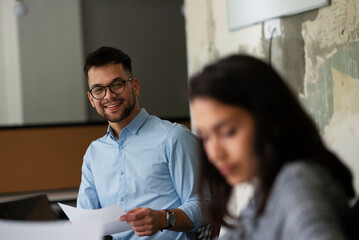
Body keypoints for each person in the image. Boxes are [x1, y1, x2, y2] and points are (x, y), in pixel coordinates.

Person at [188, 54, 356, 239]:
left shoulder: (297, 183)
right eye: (205, 137)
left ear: (271, 120)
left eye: (228, 132)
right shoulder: (267, 191)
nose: (214, 154)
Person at [77, 46, 208, 240]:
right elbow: (85, 220)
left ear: (135, 86)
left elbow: (205, 205)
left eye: (117, 84)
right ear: (91, 98)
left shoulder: (173, 137)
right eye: (99, 89)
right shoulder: (93, 154)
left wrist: (163, 219)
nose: (109, 95)